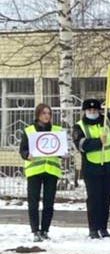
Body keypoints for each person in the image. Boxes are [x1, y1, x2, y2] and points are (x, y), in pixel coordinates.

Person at [72, 98, 110, 239]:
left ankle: (103, 228)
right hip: (92, 167)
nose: (92, 112)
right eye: (89, 110)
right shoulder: (79, 126)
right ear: (85, 111)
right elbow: (81, 145)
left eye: (95, 110)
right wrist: (98, 142)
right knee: (94, 199)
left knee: (106, 198)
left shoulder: (108, 121)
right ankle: (93, 229)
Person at [19, 103, 62, 242]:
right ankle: (35, 231)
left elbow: (60, 150)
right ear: (38, 114)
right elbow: (23, 150)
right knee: (33, 202)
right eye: (44, 113)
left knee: (49, 203)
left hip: (51, 170)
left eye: (49, 113)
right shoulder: (29, 131)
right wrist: (27, 155)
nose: (47, 116)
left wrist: (64, 153)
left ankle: (45, 230)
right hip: (35, 171)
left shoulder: (56, 130)